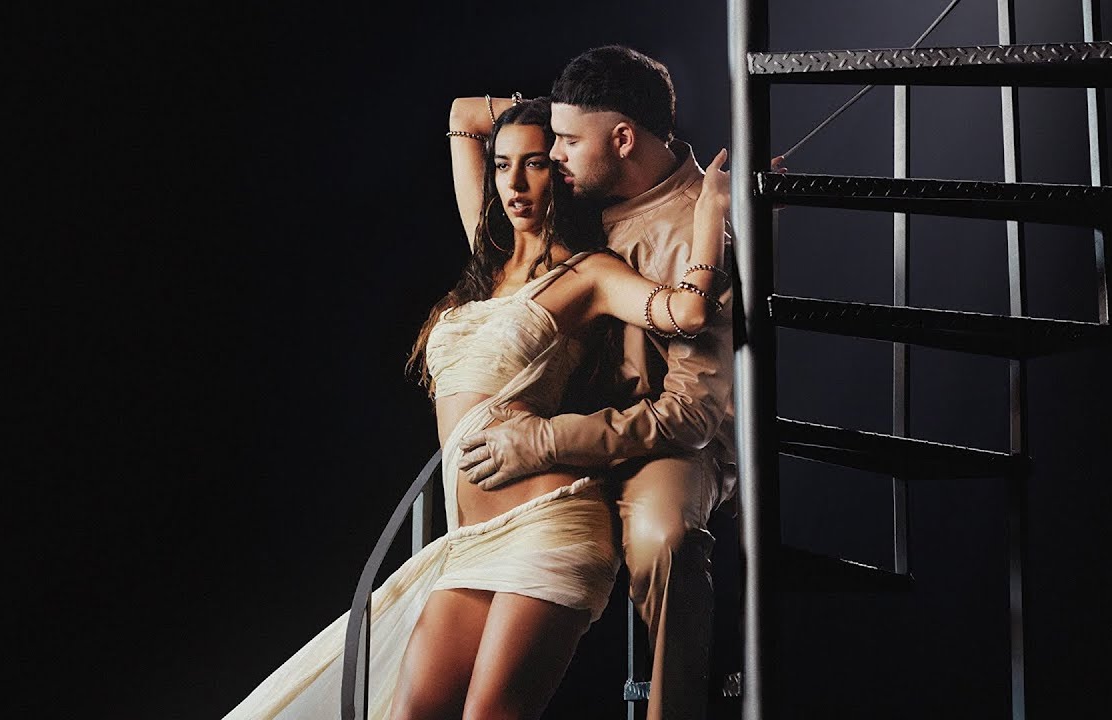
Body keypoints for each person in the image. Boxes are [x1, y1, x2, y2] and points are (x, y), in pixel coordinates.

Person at [221, 96, 731, 720]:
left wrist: (711, 213)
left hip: (547, 525)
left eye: (536, 163)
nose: (514, 184)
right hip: (469, 541)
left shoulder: (588, 274)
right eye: (502, 165)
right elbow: (464, 116)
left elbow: (689, 312)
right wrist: (546, 114)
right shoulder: (486, 262)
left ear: (562, 173)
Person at [456, 46, 736, 720]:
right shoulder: (569, 195)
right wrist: (539, 114)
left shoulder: (707, 225)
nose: (550, 157)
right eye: (547, 142)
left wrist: (546, 440)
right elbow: (467, 118)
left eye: (567, 142)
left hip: (665, 443)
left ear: (623, 139)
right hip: (559, 430)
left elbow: (693, 414)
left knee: (663, 538)